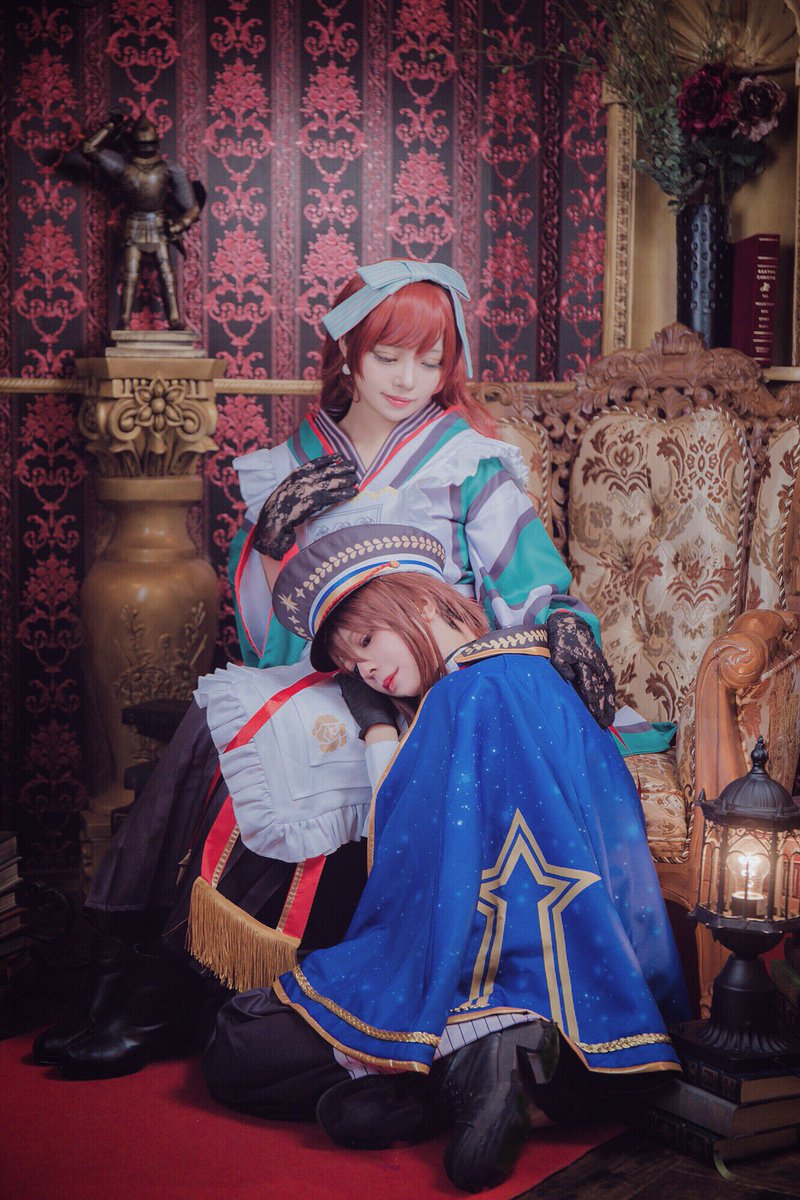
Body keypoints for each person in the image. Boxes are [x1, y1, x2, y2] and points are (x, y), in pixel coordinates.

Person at [31, 260, 616, 1080]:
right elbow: (264, 639)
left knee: (242, 736)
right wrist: (271, 539)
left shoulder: (467, 460)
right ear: (348, 352)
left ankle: (148, 992)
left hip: (427, 682)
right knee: (219, 723)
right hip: (325, 668)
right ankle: (124, 978)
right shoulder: (294, 463)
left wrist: (565, 622)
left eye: (429, 360)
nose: (408, 380)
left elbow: (530, 584)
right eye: (388, 356)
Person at [202, 519, 689, 1195]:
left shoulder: (467, 695)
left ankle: (471, 1061)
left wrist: (379, 732)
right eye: (351, 665)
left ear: (423, 600)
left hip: (482, 975)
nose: (366, 671)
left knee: (239, 1042)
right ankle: (468, 1081)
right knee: (288, 1063)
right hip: (598, 1000)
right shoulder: (527, 677)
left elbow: (423, 870)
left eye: (366, 641)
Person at [81, 110, 202, 330]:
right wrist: (110, 127)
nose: (145, 148)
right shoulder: (122, 165)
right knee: (129, 275)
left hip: (159, 223)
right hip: (133, 223)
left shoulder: (170, 168)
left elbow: (192, 207)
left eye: (149, 143)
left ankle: (174, 319)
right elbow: (88, 149)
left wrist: (179, 224)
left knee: (167, 275)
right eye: (141, 143)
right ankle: (124, 320)